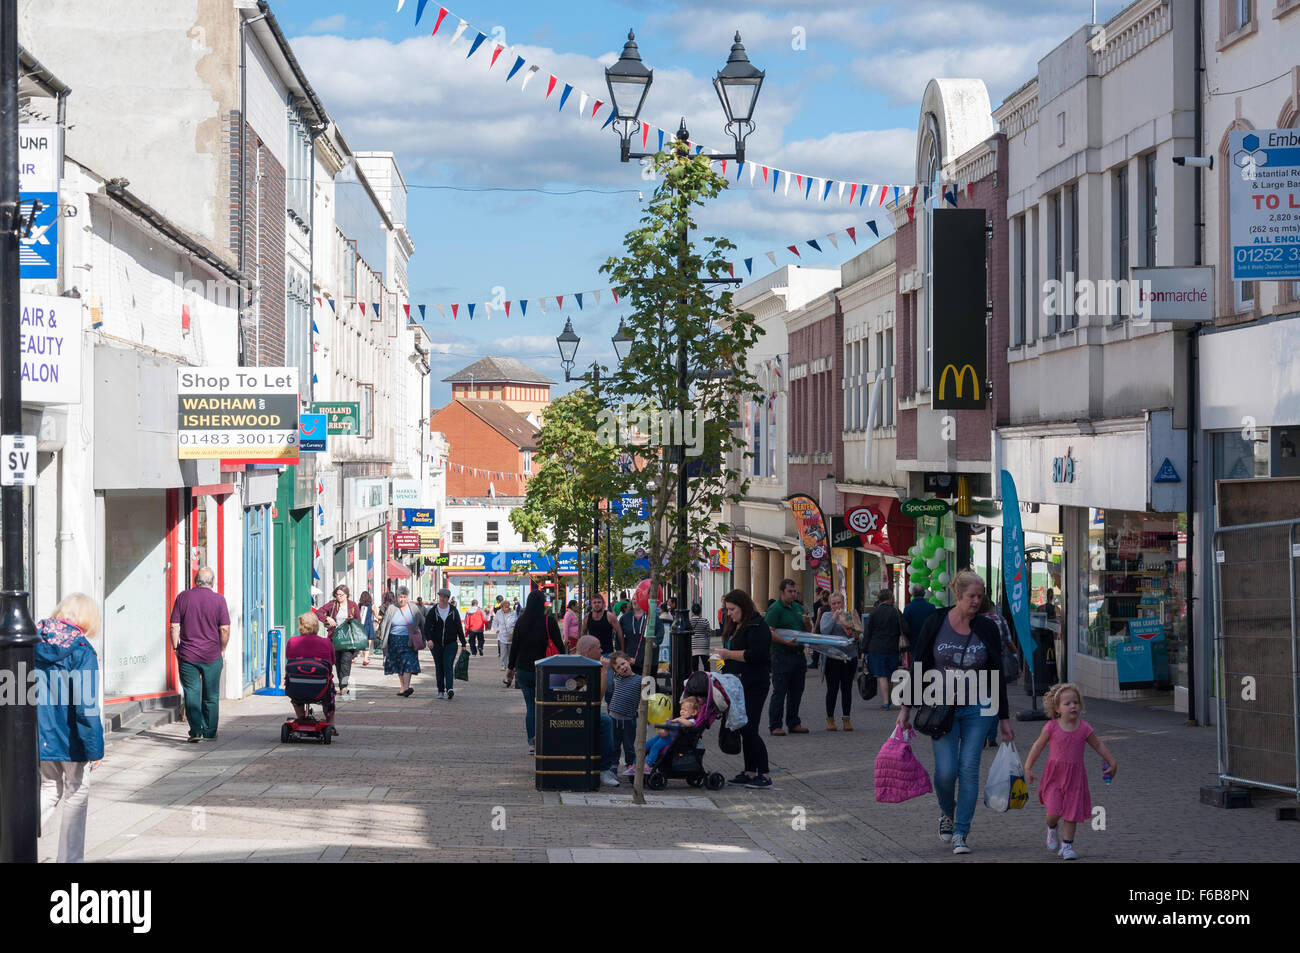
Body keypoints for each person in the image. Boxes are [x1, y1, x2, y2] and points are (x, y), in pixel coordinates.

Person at [896, 570, 1013, 855]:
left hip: (979, 707)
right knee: (946, 773)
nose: (977, 600)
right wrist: (905, 709)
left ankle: (962, 832)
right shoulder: (936, 622)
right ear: (958, 595)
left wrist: (1004, 718)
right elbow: (920, 664)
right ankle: (947, 812)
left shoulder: (986, 627)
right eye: (971, 596)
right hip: (940, 707)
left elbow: (996, 673)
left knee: (969, 768)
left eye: (980, 595)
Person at [36, 593, 104, 863]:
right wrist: (95, 748)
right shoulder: (81, 650)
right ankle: (70, 859)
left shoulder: (31, 643)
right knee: (77, 793)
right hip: (71, 738)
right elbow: (86, 706)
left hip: (39, 735)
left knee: (48, 790)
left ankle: (13, 837)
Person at [1025, 683, 1117, 860]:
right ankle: (1052, 828)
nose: (1072, 706)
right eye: (1067, 703)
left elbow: (1098, 744)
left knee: (1071, 812)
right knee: (1053, 813)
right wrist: (1028, 767)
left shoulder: (1084, 728)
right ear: (1057, 708)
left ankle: (1067, 846)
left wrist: (1112, 761)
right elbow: (1037, 746)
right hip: (1054, 776)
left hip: (1075, 777)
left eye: (1075, 702)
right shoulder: (1051, 727)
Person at [714, 588, 772, 788]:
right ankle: (749, 771)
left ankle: (764, 773)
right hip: (736, 683)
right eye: (727, 609)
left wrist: (729, 655)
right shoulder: (735, 625)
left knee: (750, 727)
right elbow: (727, 653)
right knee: (742, 725)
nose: (729, 613)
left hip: (754, 682)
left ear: (743, 607)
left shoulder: (757, 626)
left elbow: (757, 655)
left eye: (732, 609)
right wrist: (722, 666)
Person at [169, 567, 230, 742]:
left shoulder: (183, 597)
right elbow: (225, 629)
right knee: (211, 695)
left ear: (195, 581)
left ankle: (195, 731)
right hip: (212, 655)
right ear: (213, 582)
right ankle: (210, 733)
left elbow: (174, 626)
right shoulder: (219, 600)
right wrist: (222, 649)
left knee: (192, 693)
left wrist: (176, 648)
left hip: (188, 656)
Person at [507, 590, 567, 755]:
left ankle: (532, 743)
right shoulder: (549, 622)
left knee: (531, 707)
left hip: (524, 670)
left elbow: (515, 647)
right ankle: (547, 739)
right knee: (548, 706)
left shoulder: (520, 622)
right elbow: (560, 647)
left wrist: (510, 668)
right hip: (545, 670)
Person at [765, 578, 812, 735]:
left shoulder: (798, 608)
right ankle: (775, 725)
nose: (793, 594)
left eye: (794, 591)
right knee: (780, 691)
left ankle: (793, 723)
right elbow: (769, 632)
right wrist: (785, 642)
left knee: (797, 690)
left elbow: (808, 632)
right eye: (790, 591)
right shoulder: (775, 609)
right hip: (781, 654)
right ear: (782, 592)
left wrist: (807, 622)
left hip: (798, 654)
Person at [574, 635, 621, 787]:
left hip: (577, 710)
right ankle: (604, 769)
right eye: (599, 647)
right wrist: (605, 673)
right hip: (577, 713)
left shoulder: (584, 664)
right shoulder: (580, 668)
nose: (602, 650)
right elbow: (596, 701)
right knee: (606, 721)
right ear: (589, 651)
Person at [819, 590, 863, 731]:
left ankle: (846, 719)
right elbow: (824, 631)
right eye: (834, 603)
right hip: (832, 657)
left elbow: (859, 635)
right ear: (830, 604)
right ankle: (830, 719)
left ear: (843, 603)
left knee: (847, 689)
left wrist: (855, 633)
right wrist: (834, 618)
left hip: (849, 657)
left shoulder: (849, 615)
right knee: (832, 689)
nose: (837, 606)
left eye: (839, 603)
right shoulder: (826, 615)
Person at [287, 611, 337, 728]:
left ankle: (301, 717)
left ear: (300, 625)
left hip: (297, 688)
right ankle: (330, 722)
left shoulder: (292, 642)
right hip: (321, 688)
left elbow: (289, 659)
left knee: (296, 693)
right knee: (329, 696)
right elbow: (332, 662)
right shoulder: (326, 642)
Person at [865, 588, 908, 710]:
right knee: (890, 674)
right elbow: (905, 628)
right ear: (890, 598)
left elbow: (868, 632)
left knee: (882, 675)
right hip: (892, 647)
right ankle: (889, 698)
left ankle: (885, 701)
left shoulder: (874, 612)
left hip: (876, 648)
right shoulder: (896, 612)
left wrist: (864, 649)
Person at [316, 584, 361, 698]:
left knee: (346, 662)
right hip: (334, 638)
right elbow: (319, 612)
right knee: (338, 662)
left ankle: (344, 686)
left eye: (341, 595)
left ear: (347, 595)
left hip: (348, 638)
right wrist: (327, 618)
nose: (339, 597)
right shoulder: (332, 604)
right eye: (337, 595)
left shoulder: (352, 605)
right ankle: (342, 685)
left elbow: (358, 622)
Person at [381, 587, 424, 696]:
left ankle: (406, 688)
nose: (402, 599)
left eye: (404, 597)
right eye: (400, 597)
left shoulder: (413, 608)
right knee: (398, 664)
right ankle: (403, 687)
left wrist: (426, 638)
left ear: (407, 598)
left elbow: (422, 623)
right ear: (397, 597)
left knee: (408, 663)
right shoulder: (391, 608)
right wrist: (383, 640)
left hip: (409, 640)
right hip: (394, 640)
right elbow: (384, 624)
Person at [423, 588, 464, 699]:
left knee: (448, 665)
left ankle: (449, 688)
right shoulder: (433, 611)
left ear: (448, 598)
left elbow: (459, 628)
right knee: (439, 667)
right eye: (441, 596)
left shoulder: (453, 611)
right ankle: (440, 690)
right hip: (436, 644)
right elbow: (426, 627)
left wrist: (463, 643)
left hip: (451, 643)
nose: (442, 599)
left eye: (445, 597)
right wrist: (429, 639)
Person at [644, 696, 700, 768]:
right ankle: (635, 763)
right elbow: (671, 722)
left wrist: (678, 720)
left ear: (693, 712)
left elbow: (689, 724)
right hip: (667, 736)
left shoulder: (691, 721)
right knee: (647, 744)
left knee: (655, 747)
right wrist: (660, 723)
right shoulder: (680, 718)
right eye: (681, 709)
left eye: (685, 710)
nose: (682, 711)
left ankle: (648, 765)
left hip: (673, 740)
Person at [609, 652, 640, 772]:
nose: (622, 667)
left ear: (629, 661)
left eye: (623, 663)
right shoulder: (617, 678)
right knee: (614, 745)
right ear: (616, 672)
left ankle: (631, 766)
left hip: (629, 719)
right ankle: (613, 766)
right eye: (618, 667)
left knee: (629, 745)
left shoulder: (639, 680)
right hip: (613, 718)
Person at [493, 597, 519, 683]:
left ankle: (510, 666)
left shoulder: (513, 613)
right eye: (505, 607)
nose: (507, 608)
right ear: (502, 607)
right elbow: (495, 622)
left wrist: (513, 629)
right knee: (503, 652)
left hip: (511, 635)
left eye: (508, 606)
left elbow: (516, 622)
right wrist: (497, 629)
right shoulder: (498, 613)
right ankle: (503, 665)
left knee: (510, 653)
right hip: (502, 635)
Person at [809, 588, 831, 670]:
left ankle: (815, 662)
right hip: (828, 630)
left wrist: (814, 630)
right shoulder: (831, 608)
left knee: (817, 647)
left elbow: (817, 621)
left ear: (822, 599)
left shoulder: (820, 609)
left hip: (820, 629)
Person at [689, 601, 712, 672]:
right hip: (704, 646)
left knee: (694, 667)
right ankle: (707, 680)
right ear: (700, 611)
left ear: (692, 611)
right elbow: (708, 633)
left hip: (693, 646)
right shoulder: (705, 621)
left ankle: (696, 680)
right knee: (706, 666)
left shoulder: (689, 621)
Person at [358, 590, 376, 667]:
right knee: (368, 643)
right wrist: (381, 618)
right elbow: (377, 616)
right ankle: (365, 659)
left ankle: (365, 658)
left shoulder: (359, 605)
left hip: (361, 626)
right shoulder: (372, 606)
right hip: (369, 625)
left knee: (363, 643)